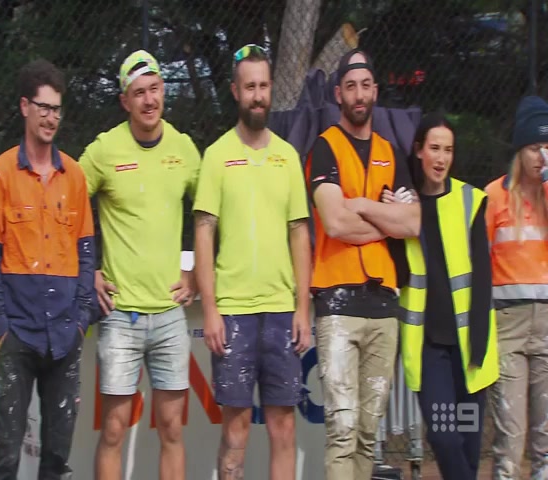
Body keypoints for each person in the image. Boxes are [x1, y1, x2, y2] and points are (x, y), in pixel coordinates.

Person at [78, 50, 199, 480]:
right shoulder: (104, 150)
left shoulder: (184, 149)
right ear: (125, 101)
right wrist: (87, 271)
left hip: (170, 314)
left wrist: (195, 271)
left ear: (164, 91)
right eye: (139, 93)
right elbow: (68, 203)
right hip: (120, 315)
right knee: (113, 429)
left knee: (172, 429)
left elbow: (211, 213)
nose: (149, 100)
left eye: (155, 89)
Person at [194, 44, 312, 480]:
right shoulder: (216, 155)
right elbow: (203, 232)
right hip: (234, 312)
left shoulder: (287, 156)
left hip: (282, 311)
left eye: (263, 86)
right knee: (236, 429)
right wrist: (210, 309)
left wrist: (302, 307)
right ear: (235, 91)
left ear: (271, 89)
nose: (257, 95)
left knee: (284, 427)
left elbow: (299, 233)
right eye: (249, 87)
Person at [0, 59, 97, 480]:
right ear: (25, 106)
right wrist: (0, 327)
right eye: (43, 107)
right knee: (7, 455)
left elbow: (87, 254)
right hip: (17, 334)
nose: (51, 118)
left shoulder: (75, 176)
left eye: (56, 109)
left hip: (65, 333)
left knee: (57, 458)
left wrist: (81, 320)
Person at [304, 48, 421, 480]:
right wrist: (387, 219)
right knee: (343, 429)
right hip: (337, 302)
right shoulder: (325, 148)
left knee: (369, 434)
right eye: (350, 86)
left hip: (384, 303)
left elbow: (413, 222)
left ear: (375, 91)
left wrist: (364, 206)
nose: (359, 94)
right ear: (338, 94)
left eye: (365, 85)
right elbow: (335, 222)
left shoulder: (392, 152)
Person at [394, 111, 499, 480]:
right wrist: (393, 215)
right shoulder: (405, 208)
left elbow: (482, 277)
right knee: (443, 435)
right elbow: (399, 270)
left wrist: (479, 344)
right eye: (435, 148)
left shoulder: (470, 200)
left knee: (468, 443)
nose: (441, 158)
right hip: (430, 349)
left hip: (468, 349)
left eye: (448, 150)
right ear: (419, 150)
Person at [486, 95, 548, 480]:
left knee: (546, 435)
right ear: (519, 150)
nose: (542, 156)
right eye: (534, 147)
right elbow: (479, 263)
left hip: (547, 322)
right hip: (507, 323)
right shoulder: (494, 196)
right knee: (511, 436)